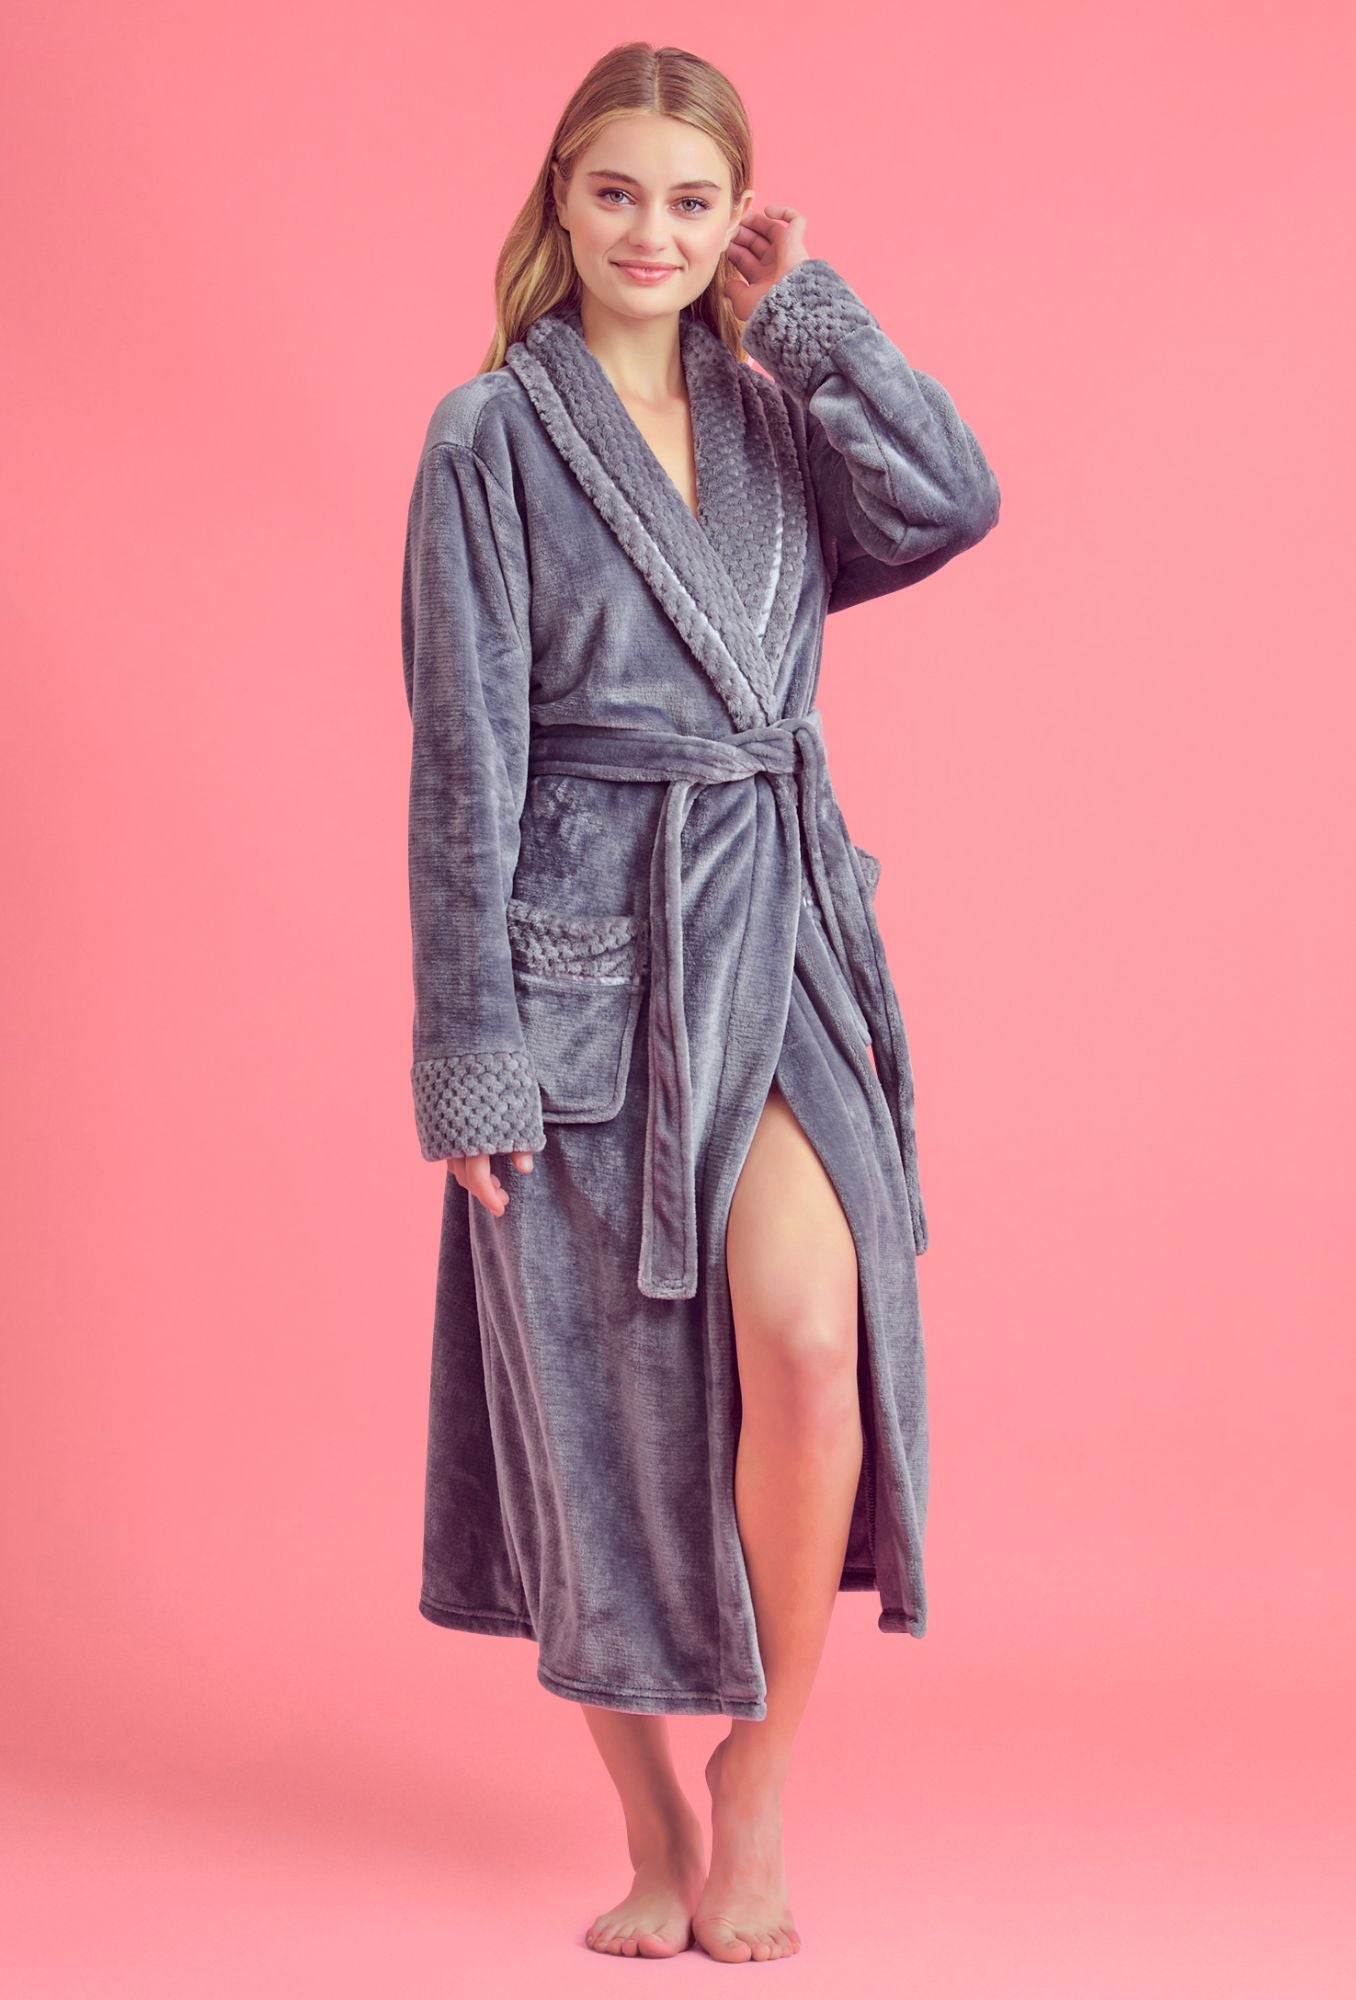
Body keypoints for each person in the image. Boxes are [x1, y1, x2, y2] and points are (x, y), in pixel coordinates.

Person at [400, 40, 1000, 1965]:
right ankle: (651, 1816)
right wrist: (470, 1046)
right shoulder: (490, 440)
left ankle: (757, 1778)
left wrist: (810, 320)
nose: (649, 233)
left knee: (812, 1343)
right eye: (615, 193)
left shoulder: (770, 416)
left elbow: (953, 501)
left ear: (734, 213)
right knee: (599, 1411)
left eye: (688, 199)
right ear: (560, 201)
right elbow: (464, 762)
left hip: (785, 937)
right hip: (589, 963)